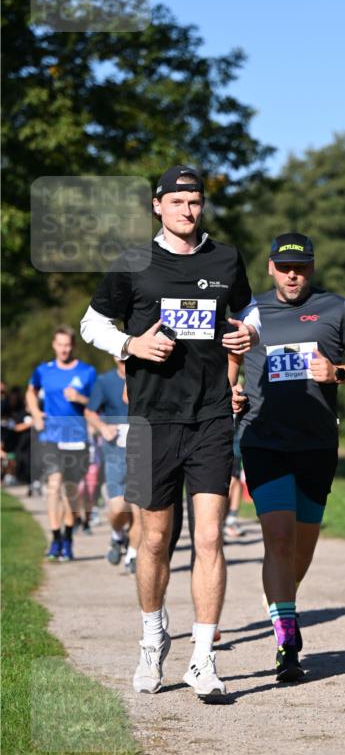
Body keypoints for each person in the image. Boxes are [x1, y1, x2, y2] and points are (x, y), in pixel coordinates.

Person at [80, 164, 260, 700]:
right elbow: (94, 323)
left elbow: (248, 307)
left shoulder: (224, 258)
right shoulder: (133, 263)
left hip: (209, 415)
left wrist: (248, 332)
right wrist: (130, 346)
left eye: (196, 202)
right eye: (178, 201)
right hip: (150, 420)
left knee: (209, 537)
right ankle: (152, 636)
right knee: (155, 539)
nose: (188, 210)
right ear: (157, 205)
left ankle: (202, 659)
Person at [237, 232, 345, 681]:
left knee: (300, 549)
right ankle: (287, 641)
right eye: (285, 267)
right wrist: (229, 390)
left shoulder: (337, 309)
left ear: (311, 268)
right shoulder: (250, 311)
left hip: (316, 443)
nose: (293, 275)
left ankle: (280, 602)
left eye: (302, 267)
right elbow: (227, 361)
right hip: (263, 439)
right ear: (271, 267)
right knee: (277, 535)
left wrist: (337, 372)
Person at [25, 326, 97, 561]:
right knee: (54, 485)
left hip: (77, 438)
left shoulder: (87, 372)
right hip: (50, 436)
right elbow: (30, 392)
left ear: (73, 346)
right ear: (54, 345)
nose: (64, 349)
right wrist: (36, 413)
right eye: (60, 344)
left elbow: (97, 403)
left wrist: (80, 398)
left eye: (68, 345)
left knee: (70, 490)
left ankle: (68, 537)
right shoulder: (43, 371)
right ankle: (55, 538)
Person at [85, 357, 141, 573]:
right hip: (115, 449)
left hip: (142, 448)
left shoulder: (146, 375)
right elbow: (90, 412)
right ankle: (118, 535)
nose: (124, 358)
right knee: (118, 508)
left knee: (141, 509)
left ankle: (133, 555)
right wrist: (102, 427)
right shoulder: (104, 381)